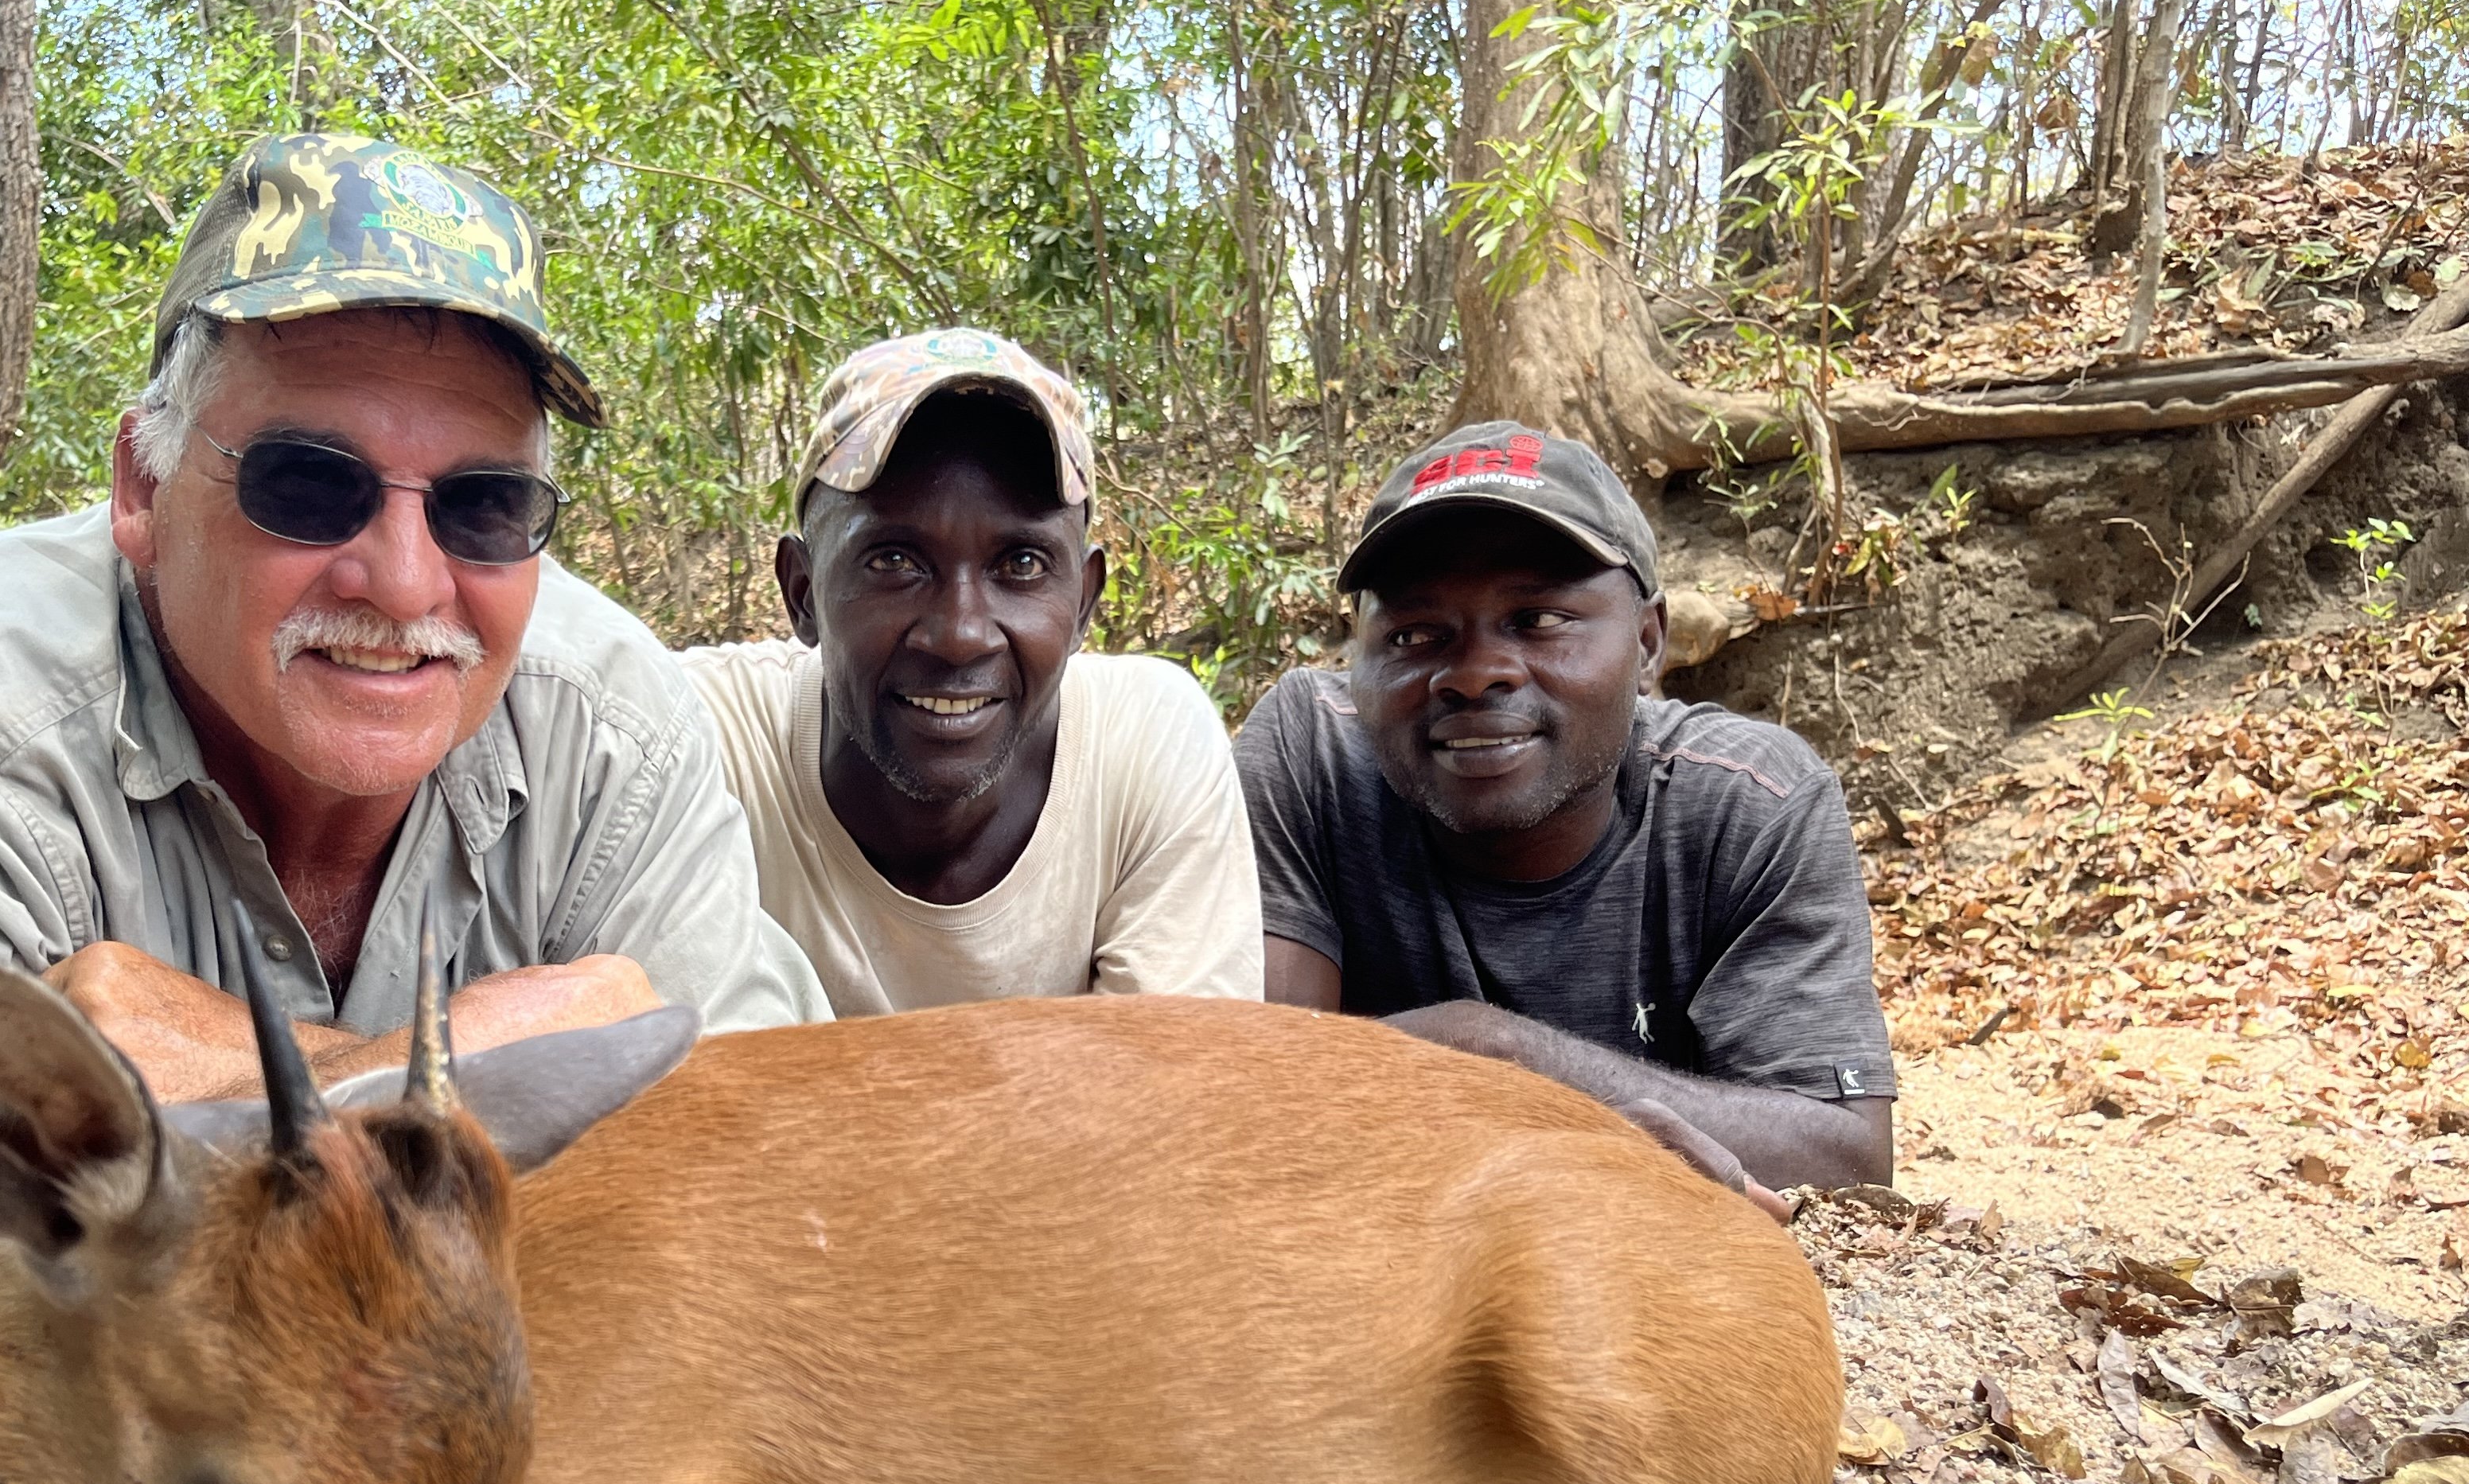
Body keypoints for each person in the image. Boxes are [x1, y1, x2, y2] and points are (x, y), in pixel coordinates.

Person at [0, 133, 825, 1331]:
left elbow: (788, 1176)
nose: (409, 584)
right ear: (142, 485)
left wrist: (210, 1080)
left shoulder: (614, 717)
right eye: (309, 485)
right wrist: (513, 1063)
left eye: (485, 506)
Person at [1235, 422, 1894, 1197]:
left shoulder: (1749, 802)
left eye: (1539, 620)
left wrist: (1507, 1062)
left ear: (1649, 645)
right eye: (1416, 633)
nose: (1476, 674)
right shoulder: (1310, 757)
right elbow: (1255, 1098)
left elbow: (1848, 1160)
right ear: (1357, 659)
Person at [685, 330, 1258, 1015]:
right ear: (802, 593)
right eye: (893, 561)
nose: (960, 636)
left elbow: (1175, 1094)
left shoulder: (1148, 745)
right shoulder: (696, 743)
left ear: (1083, 603)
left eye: (1020, 563)